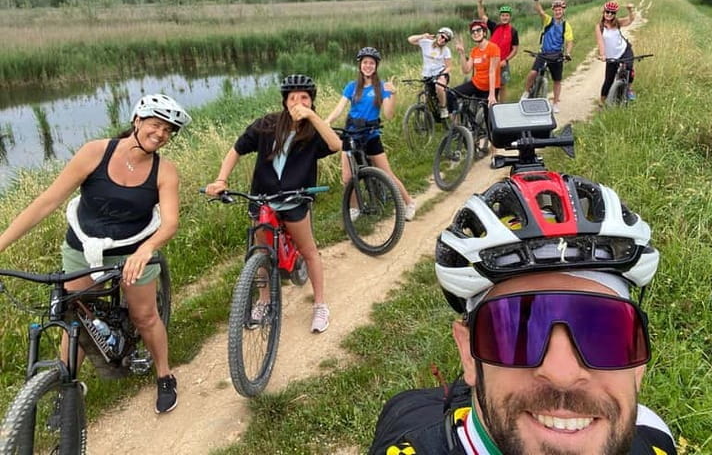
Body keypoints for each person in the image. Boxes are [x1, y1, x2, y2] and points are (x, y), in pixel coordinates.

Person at [370, 171, 677, 454]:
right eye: (518, 331)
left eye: (603, 333)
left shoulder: (656, 440)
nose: (562, 375)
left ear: (638, 366)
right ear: (467, 353)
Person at [0, 94, 192, 414]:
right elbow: (48, 201)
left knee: (144, 316)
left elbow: (170, 222)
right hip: (82, 248)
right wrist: (3, 242)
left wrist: (146, 250)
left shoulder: (164, 171)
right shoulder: (95, 152)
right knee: (75, 316)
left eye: (168, 131)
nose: (160, 134)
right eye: (156, 125)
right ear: (137, 120)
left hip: (132, 251)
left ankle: (164, 373)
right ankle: (66, 388)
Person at [205, 74, 341, 333]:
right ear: (284, 102)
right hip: (263, 198)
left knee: (309, 250)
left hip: (294, 199)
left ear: (312, 102)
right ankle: (264, 300)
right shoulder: (267, 124)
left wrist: (312, 117)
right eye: (293, 98)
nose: (298, 102)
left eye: (304, 98)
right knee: (261, 251)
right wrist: (221, 179)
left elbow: (335, 145)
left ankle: (320, 304)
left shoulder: (313, 131)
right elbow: (237, 149)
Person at [325, 47, 417, 221]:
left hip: (370, 135)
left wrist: (393, 94)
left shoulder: (382, 87)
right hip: (351, 134)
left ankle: (409, 202)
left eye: (372, 63)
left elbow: (389, 114)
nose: (368, 66)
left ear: (376, 66)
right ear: (360, 65)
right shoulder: (352, 87)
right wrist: (327, 121)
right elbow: (340, 107)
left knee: (387, 174)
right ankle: (355, 207)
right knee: (347, 177)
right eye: (365, 62)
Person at [522, 0, 574, 113]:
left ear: (563, 11)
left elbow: (569, 41)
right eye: (556, 10)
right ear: (553, 11)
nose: (558, 12)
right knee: (533, 73)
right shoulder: (548, 20)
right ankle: (526, 92)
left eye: (560, 10)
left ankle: (555, 103)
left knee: (557, 80)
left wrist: (568, 53)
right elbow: (540, 11)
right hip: (544, 53)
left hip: (556, 55)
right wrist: (536, 0)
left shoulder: (566, 25)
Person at [477, 0, 519, 102]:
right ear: (500, 17)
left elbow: (515, 49)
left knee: (502, 85)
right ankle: (489, 103)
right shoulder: (494, 26)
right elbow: (482, 16)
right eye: (503, 15)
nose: (505, 17)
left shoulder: (513, 31)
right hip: (490, 60)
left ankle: (502, 105)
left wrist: (506, 59)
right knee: (488, 83)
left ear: (510, 17)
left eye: (507, 15)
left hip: (503, 61)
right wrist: (480, 2)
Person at [407, 27, 454, 120]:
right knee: (427, 96)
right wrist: (423, 36)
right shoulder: (426, 43)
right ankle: (430, 117)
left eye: (446, 39)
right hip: (427, 74)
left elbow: (449, 67)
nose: (443, 40)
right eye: (442, 36)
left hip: (440, 73)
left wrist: (441, 74)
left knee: (439, 86)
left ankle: (443, 108)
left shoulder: (446, 50)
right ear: (438, 35)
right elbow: (410, 39)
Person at [596, 0, 637, 105]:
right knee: (608, 79)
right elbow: (600, 42)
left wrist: (630, 10)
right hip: (611, 56)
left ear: (615, 14)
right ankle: (603, 100)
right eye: (607, 12)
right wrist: (603, 55)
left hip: (624, 50)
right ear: (604, 12)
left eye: (612, 13)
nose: (609, 14)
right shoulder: (599, 26)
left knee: (629, 67)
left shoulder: (617, 22)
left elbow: (630, 20)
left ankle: (628, 89)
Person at [453, 19, 500, 106]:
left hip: (489, 88)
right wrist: (462, 53)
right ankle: (455, 117)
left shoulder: (493, 48)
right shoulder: (474, 51)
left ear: (485, 33)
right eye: (473, 31)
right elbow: (466, 70)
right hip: (476, 84)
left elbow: (492, 71)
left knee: (489, 117)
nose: (475, 33)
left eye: (478, 30)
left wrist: (492, 94)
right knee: (451, 94)